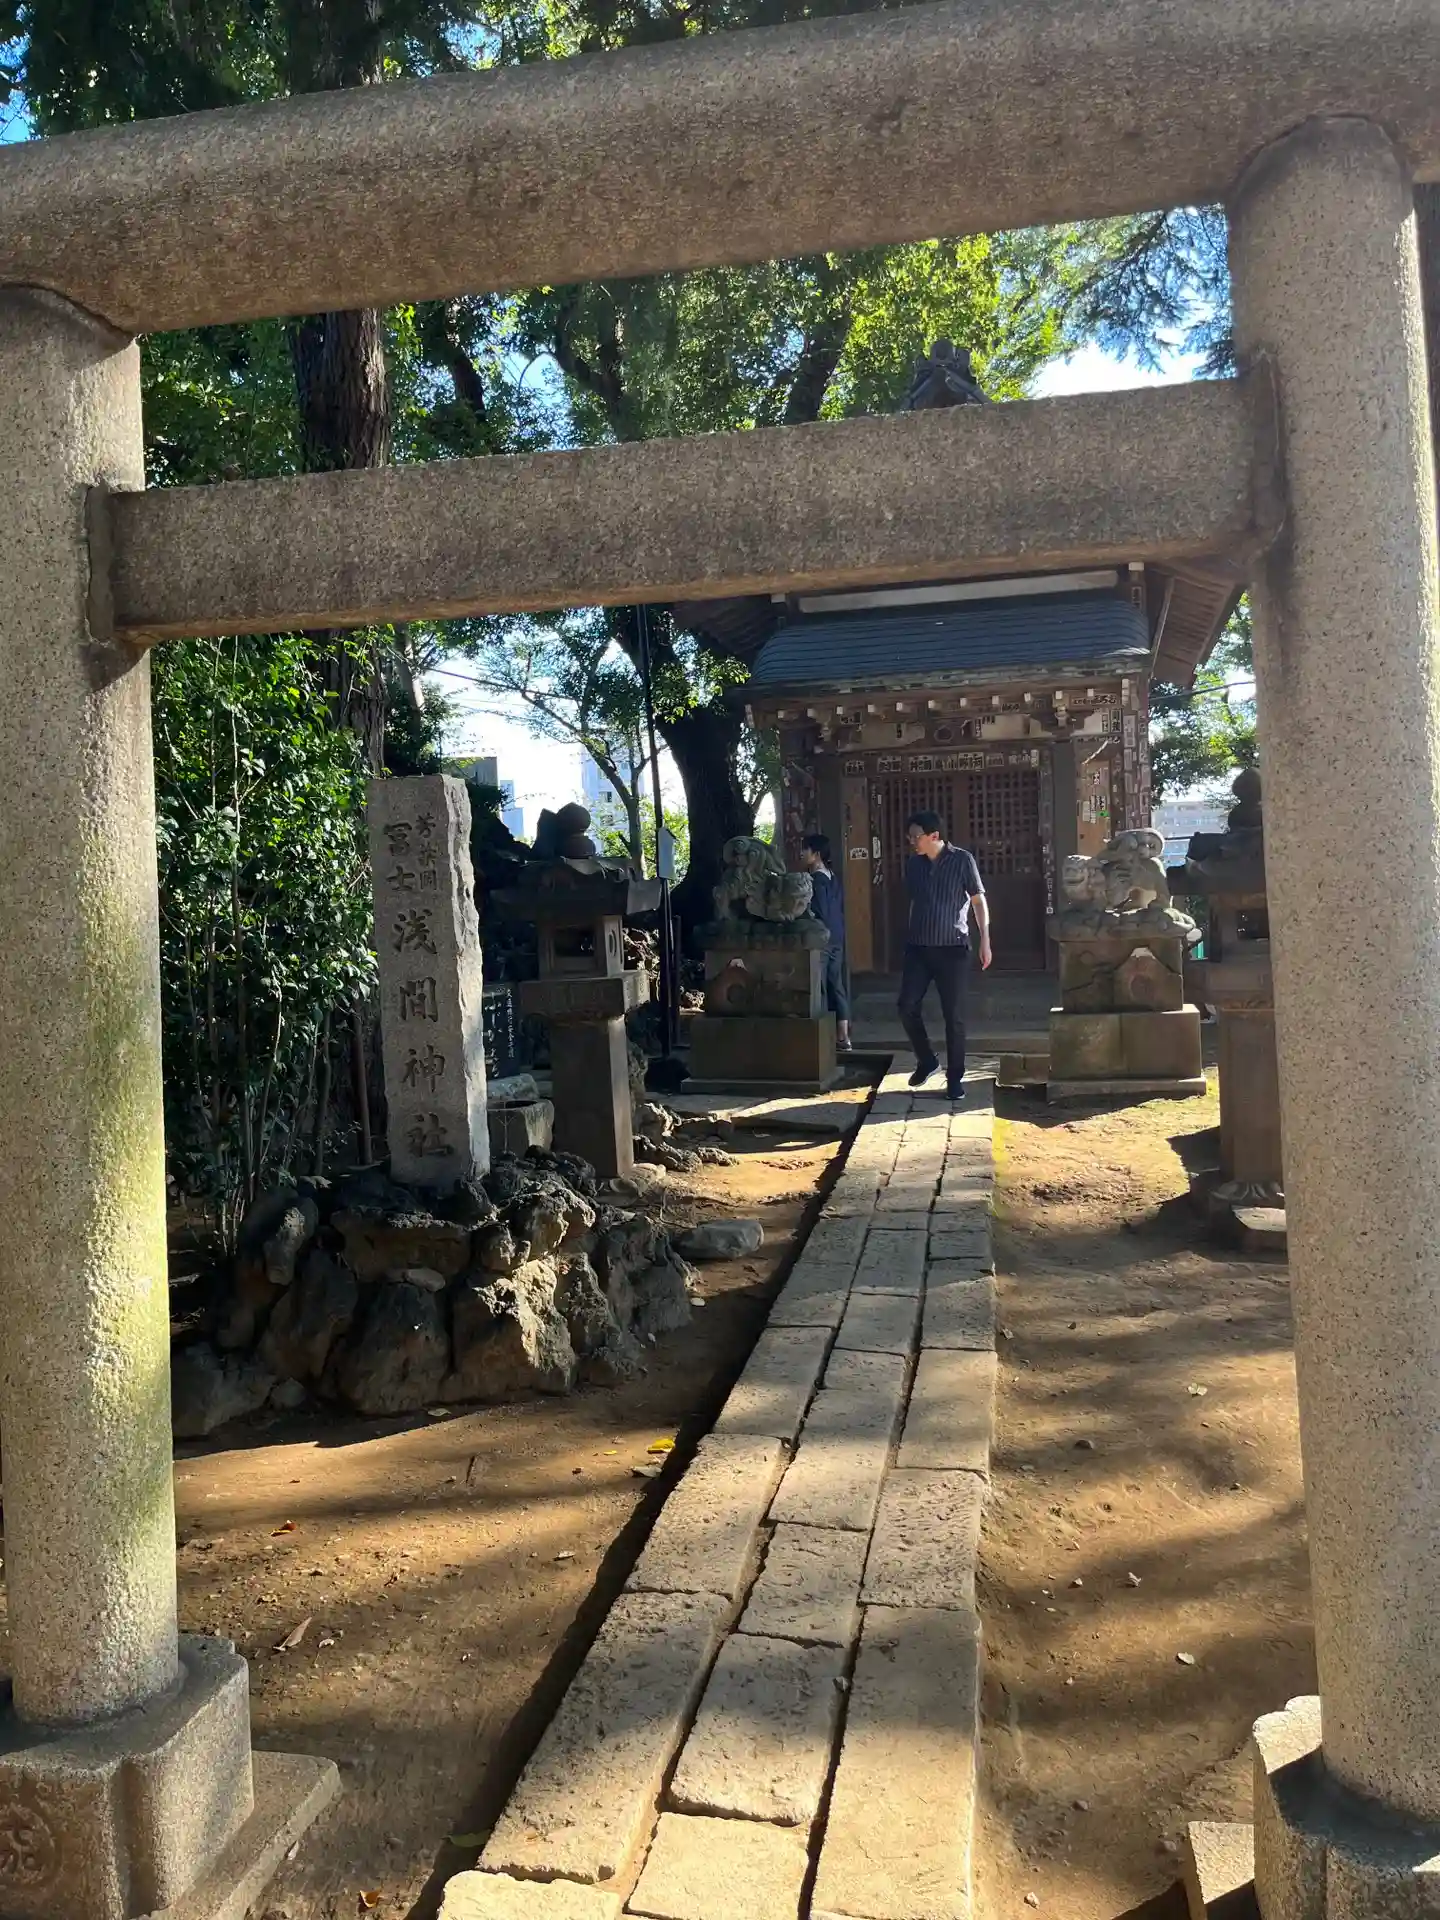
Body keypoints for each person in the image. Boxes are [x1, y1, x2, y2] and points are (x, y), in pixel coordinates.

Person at [898, 809, 991, 1100]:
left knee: (954, 1016)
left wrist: (986, 940)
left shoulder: (962, 860)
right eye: (910, 836)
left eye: (916, 836)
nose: (912, 841)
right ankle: (927, 1060)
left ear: (934, 836)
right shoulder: (914, 865)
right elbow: (914, 902)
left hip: (953, 949)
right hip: (918, 948)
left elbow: (978, 901)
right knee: (906, 1005)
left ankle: (955, 1079)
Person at [798, 832, 852, 1052]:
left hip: (822, 938)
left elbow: (819, 912)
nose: (801, 853)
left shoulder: (816, 880)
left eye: (805, 849)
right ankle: (843, 1037)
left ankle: (822, 1039)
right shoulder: (832, 876)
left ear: (816, 854)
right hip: (837, 936)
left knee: (818, 986)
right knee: (836, 985)